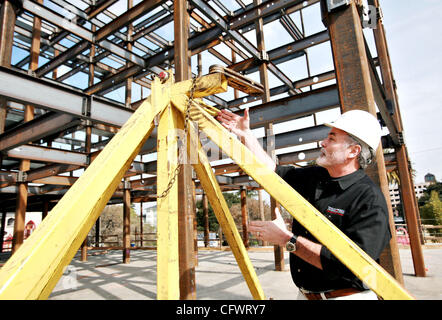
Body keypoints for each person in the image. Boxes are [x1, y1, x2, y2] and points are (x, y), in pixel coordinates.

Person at [216, 108, 391, 300]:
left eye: (332, 138)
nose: (323, 142)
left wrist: (287, 240)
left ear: (353, 151)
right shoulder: (314, 176)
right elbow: (270, 170)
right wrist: (245, 134)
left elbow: (352, 267)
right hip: (306, 295)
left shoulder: (368, 199)